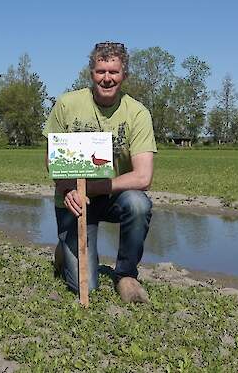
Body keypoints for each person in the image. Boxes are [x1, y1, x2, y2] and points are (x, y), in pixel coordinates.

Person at [44, 42, 156, 303]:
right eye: (100, 71)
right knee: (88, 286)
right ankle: (64, 249)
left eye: (114, 72)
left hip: (112, 196)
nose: (107, 78)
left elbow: (143, 177)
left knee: (138, 203)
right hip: (73, 201)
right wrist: (69, 189)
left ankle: (126, 275)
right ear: (91, 73)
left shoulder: (138, 113)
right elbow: (52, 162)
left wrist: (91, 189)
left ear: (124, 75)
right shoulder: (67, 104)